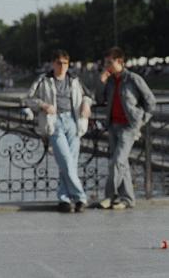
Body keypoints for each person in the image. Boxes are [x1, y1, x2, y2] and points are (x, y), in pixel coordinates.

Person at [26, 50, 92, 213]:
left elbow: (87, 95)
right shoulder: (44, 79)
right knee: (66, 160)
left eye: (65, 63)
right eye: (59, 63)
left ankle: (64, 199)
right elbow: (29, 99)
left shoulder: (74, 79)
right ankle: (80, 197)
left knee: (70, 163)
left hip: (73, 122)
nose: (62, 66)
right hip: (54, 123)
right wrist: (43, 105)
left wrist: (86, 104)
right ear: (53, 64)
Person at [97, 47, 156, 210]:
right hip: (113, 126)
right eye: (105, 63)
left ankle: (109, 196)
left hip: (129, 126)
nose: (107, 66)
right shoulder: (109, 80)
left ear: (120, 62)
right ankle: (128, 199)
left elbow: (151, 101)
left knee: (117, 162)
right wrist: (101, 82)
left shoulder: (133, 79)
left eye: (110, 63)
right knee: (122, 163)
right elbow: (99, 99)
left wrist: (141, 120)